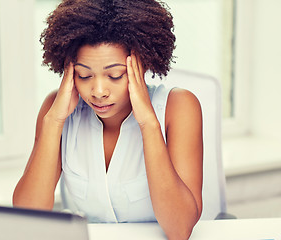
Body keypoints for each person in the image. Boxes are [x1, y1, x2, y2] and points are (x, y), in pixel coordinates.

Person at [13, 0, 203, 239]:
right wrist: (53, 123)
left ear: (143, 65)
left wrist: (148, 123)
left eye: (115, 75)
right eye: (84, 75)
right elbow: (28, 219)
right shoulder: (57, 112)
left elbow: (180, 230)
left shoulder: (178, 108)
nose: (99, 91)